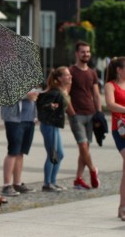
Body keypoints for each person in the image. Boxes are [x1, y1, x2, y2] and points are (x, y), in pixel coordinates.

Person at [67, 41, 101, 189]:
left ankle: (78, 178)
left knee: (85, 148)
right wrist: (71, 111)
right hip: (77, 115)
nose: (86, 54)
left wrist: (99, 113)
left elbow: (96, 94)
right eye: (83, 52)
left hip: (91, 114)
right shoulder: (71, 71)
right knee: (82, 144)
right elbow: (65, 93)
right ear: (77, 53)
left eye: (88, 52)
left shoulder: (92, 72)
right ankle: (93, 170)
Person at [37, 66, 72, 192]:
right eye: (67, 75)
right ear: (59, 78)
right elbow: (41, 104)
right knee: (52, 154)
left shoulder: (62, 90)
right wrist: (50, 106)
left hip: (54, 125)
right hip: (48, 125)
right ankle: (47, 184)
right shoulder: (53, 92)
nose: (70, 77)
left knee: (60, 154)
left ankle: (52, 182)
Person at [0, 90, 38, 196]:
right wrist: (26, 95)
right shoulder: (8, 75)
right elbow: (5, 94)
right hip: (14, 119)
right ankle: (6, 185)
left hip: (29, 118)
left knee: (21, 152)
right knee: (13, 152)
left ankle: (17, 183)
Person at [104, 57, 125, 220]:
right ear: (119, 69)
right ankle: (122, 207)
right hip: (120, 129)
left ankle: (122, 207)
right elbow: (110, 105)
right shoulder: (110, 85)